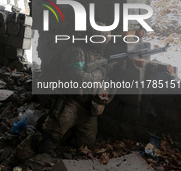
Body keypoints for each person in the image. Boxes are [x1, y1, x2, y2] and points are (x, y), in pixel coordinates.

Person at [11, 24, 116, 165]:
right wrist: (102, 72)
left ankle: (60, 129)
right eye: (102, 36)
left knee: (84, 146)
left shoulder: (101, 56)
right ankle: (12, 159)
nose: (105, 40)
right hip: (71, 103)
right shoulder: (76, 52)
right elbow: (80, 78)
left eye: (107, 37)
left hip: (89, 109)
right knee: (45, 140)